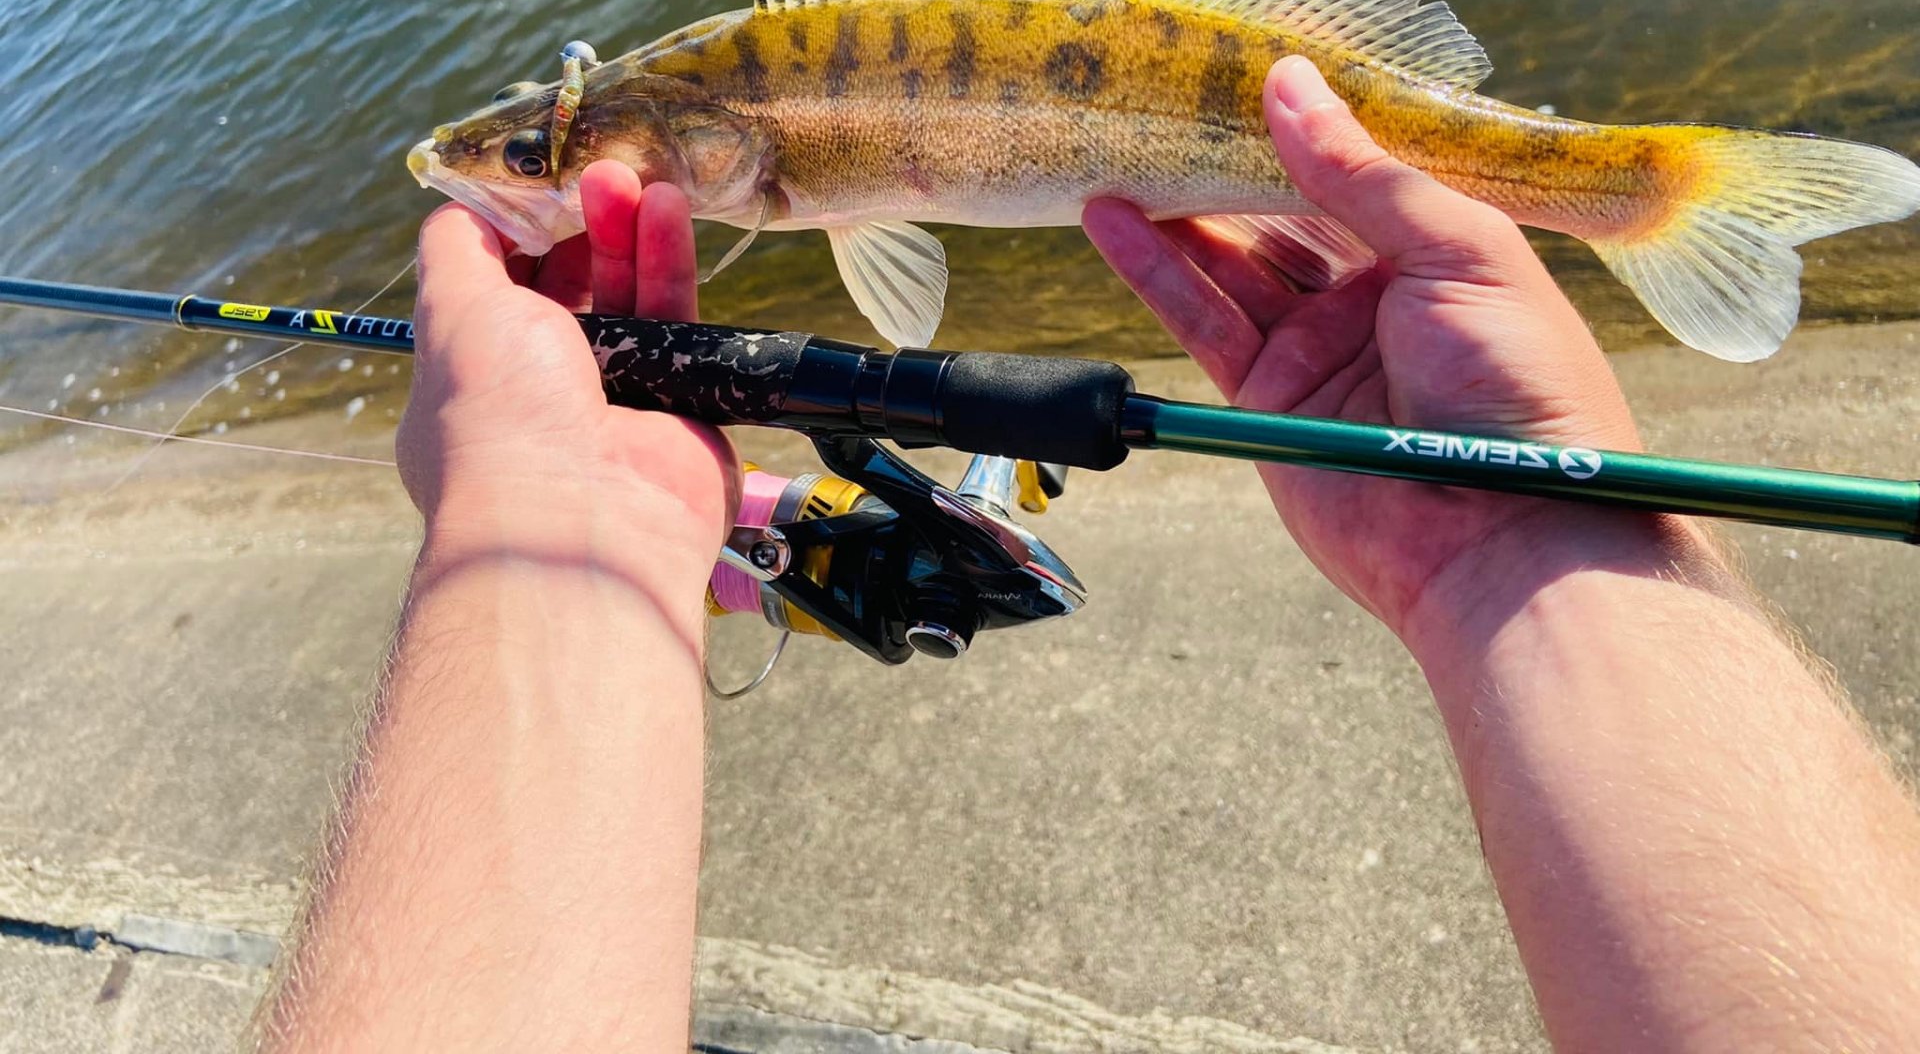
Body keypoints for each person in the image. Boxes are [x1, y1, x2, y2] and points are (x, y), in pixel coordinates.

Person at [257, 58, 1920, 1052]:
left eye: (542, 156)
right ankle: (1634, 207)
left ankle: (1643, 190)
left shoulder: (757, 143)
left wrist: (533, 509)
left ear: (703, 137)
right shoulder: (749, 144)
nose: (528, 181)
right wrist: (1520, 541)